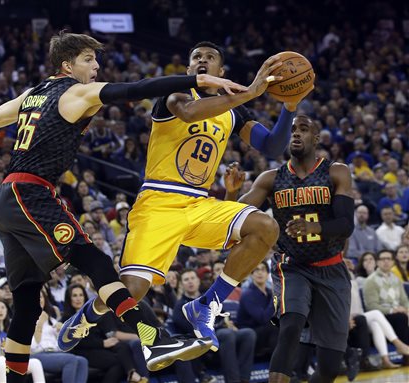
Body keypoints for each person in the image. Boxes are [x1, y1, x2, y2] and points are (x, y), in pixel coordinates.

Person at [0, 32, 242, 381]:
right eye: (89, 59)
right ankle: (153, 337)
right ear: (68, 64)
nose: (97, 66)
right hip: (31, 193)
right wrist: (196, 79)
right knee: (95, 260)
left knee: (28, 303)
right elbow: (136, 89)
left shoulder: (33, 94)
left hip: (6, 198)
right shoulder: (76, 91)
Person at [108, 41, 313, 353]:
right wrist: (250, 92)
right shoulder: (175, 95)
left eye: (210, 57)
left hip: (198, 203)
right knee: (132, 291)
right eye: (196, 57)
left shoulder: (233, 110)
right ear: (190, 70)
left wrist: (289, 106)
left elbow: (271, 146)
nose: (202, 60)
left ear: (221, 71)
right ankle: (86, 318)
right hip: (159, 201)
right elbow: (189, 114)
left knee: (266, 227)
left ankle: (208, 304)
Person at [229, 114, 354, 383]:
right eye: (293, 130)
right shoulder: (270, 179)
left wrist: (316, 227)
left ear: (316, 138)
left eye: (304, 129)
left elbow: (346, 225)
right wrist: (230, 194)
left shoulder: (336, 171)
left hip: (332, 268)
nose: (296, 134)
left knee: (331, 366)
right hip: (292, 266)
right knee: (290, 326)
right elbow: (235, 221)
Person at [0, 298, 45, 382]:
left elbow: (31, 344)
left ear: (7, 310)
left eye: (3, 307)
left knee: (35, 363)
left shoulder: (14, 325)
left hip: (11, 363)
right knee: (1, 362)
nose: (0, 310)